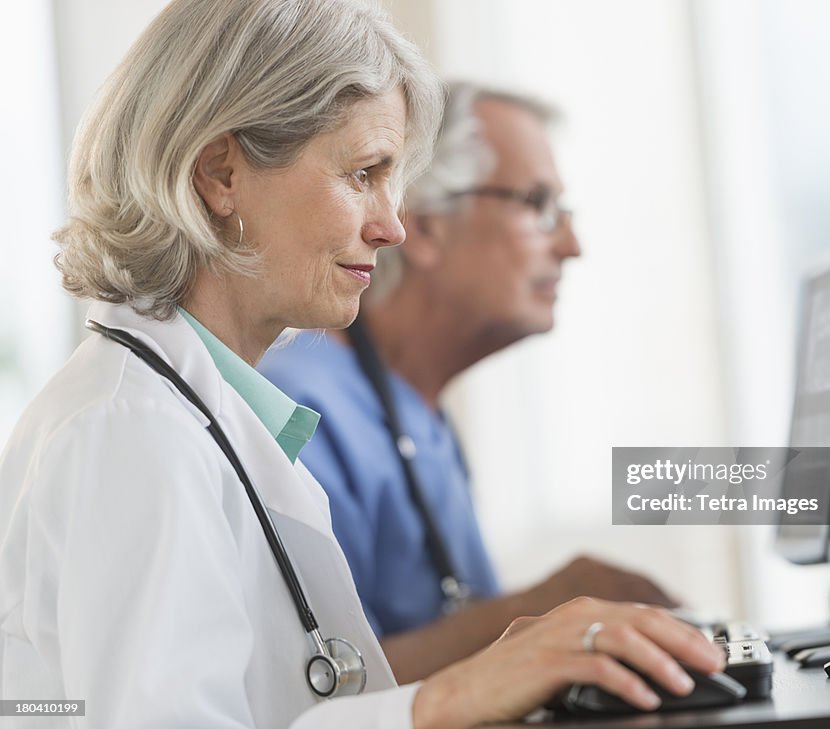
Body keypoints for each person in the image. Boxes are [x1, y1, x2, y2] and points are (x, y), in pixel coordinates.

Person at [0, 1, 724, 727]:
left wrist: (503, 664)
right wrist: (444, 698)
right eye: (363, 173)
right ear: (221, 174)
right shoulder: (132, 428)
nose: (393, 226)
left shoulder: (206, 415)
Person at [259, 82, 681, 683]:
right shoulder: (302, 408)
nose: (571, 245)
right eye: (538, 204)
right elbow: (317, 691)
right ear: (424, 228)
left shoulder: (419, 415)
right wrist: (546, 607)